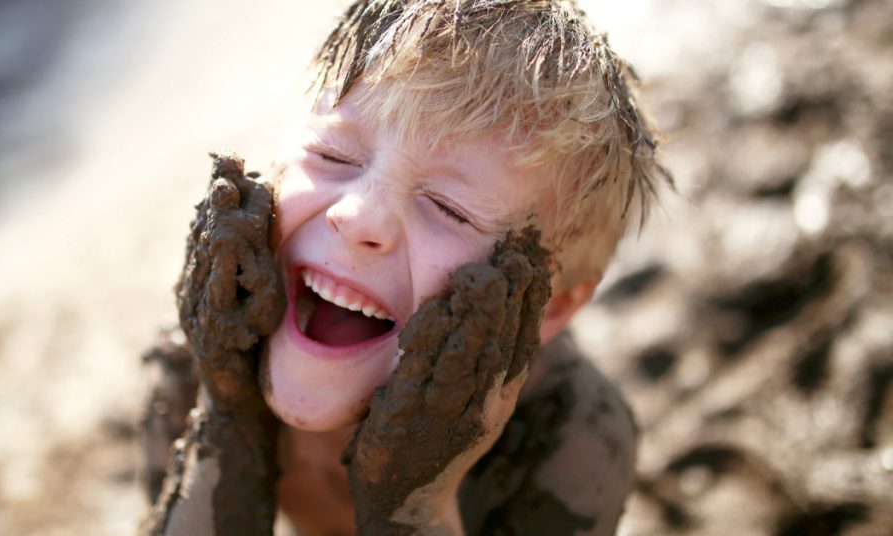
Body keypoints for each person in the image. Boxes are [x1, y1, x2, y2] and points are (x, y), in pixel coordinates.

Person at [140, 1, 671, 534]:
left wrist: (417, 506)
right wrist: (228, 417)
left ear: (552, 307)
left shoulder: (572, 435)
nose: (356, 216)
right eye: (334, 157)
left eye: (449, 209)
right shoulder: (199, 358)